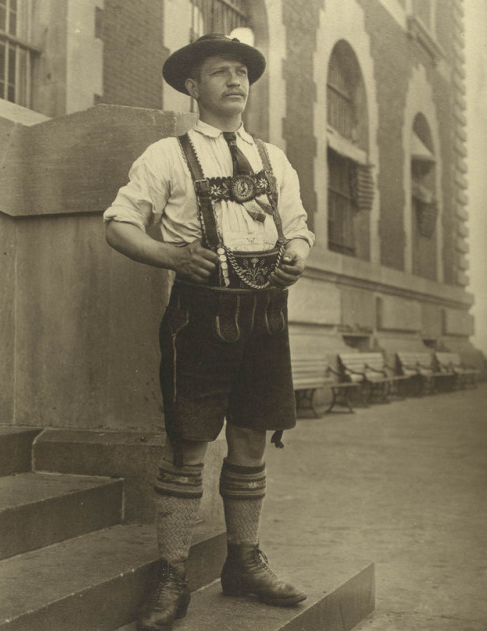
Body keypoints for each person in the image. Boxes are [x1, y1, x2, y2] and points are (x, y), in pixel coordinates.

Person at [103, 33, 315, 631]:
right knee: (190, 443)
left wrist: (296, 251)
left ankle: (243, 561)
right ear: (193, 87)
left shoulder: (274, 160)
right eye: (221, 73)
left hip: (267, 317)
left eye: (242, 73)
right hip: (200, 317)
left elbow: (299, 227)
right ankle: (172, 574)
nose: (235, 82)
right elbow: (118, 224)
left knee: (250, 439)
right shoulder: (165, 155)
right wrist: (171, 257)